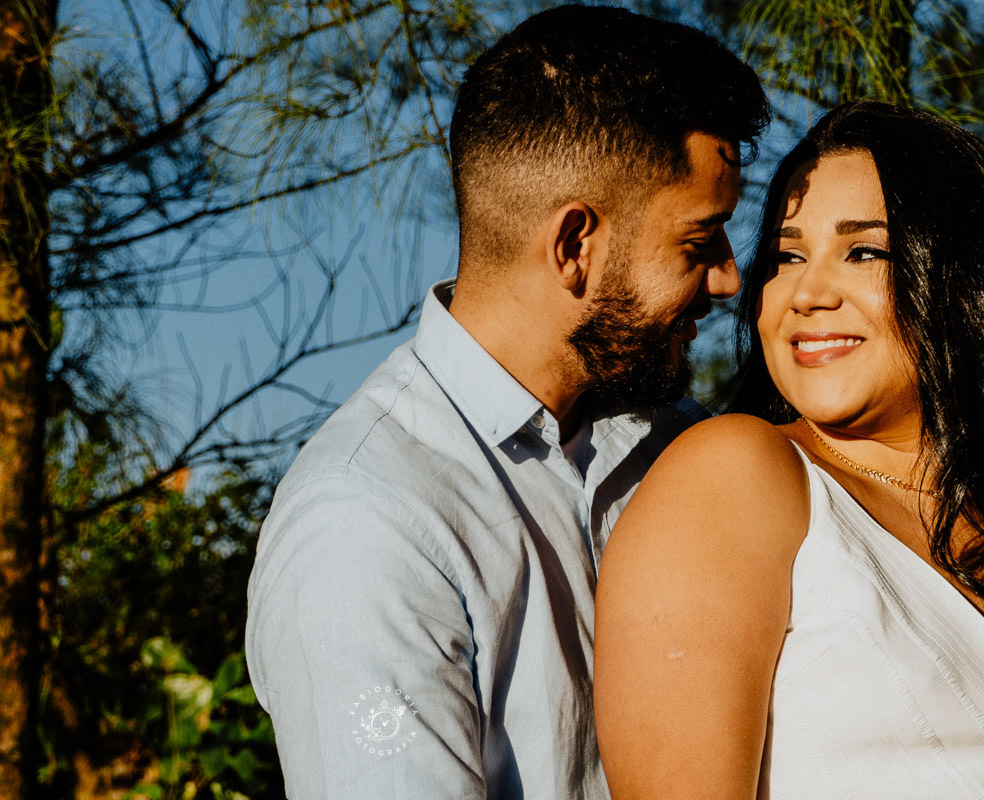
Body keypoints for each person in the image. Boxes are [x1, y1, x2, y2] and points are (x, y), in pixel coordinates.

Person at [246, 5, 768, 798]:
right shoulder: (366, 522)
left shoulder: (686, 447)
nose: (729, 280)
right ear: (574, 247)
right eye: (699, 244)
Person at [594, 101, 984, 799]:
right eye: (786, 255)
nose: (806, 293)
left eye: (863, 251)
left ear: (957, 275)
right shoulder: (735, 475)